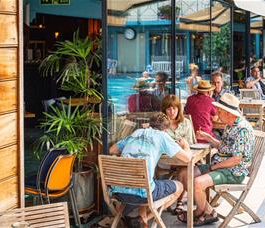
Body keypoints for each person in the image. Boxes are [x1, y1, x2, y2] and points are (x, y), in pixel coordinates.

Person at [177, 93, 254, 226]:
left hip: (233, 172)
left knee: (197, 183)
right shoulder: (230, 125)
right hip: (221, 165)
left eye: (219, 111)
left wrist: (212, 168)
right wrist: (209, 138)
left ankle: (202, 212)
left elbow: (236, 160)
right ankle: (208, 210)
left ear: (229, 113)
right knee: (183, 174)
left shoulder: (242, 130)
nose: (216, 113)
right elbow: (224, 148)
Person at [109, 112, 192, 227]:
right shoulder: (162, 136)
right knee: (179, 186)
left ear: (150, 124)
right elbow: (187, 158)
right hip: (143, 194)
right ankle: (142, 219)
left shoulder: (136, 133)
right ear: (165, 129)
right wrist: (186, 145)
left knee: (147, 181)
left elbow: (112, 150)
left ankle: (140, 220)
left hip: (119, 192)